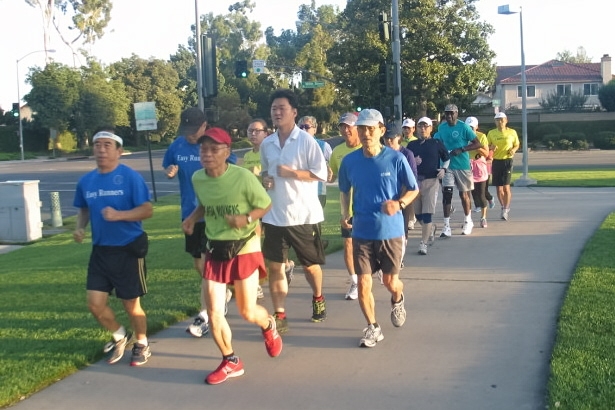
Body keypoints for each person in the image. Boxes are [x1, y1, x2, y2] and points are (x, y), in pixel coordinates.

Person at [182, 127, 282, 385]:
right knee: (214, 310)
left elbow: (265, 204)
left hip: (245, 246)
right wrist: (193, 218)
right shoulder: (198, 178)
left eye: (214, 149)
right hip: (215, 247)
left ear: (227, 152)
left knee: (248, 311)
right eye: (203, 149)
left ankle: (268, 324)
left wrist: (245, 218)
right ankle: (230, 361)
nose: (207, 154)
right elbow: (205, 203)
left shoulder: (243, 177)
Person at [338, 109, 419, 348]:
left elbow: (413, 189)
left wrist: (400, 203)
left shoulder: (395, 159)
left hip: (390, 232)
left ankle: (398, 298)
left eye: (371, 129)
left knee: (389, 282)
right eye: (361, 128)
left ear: (382, 131)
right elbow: (344, 190)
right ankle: (373, 327)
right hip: (361, 231)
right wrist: (345, 214)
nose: (365, 133)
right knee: (363, 282)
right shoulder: (349, 161)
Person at [73, 130, 153, 366]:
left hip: (128, 248)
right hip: (100, 251)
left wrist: (119, 215)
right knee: (94, 304)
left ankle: (142, 343)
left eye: (107, 145)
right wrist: (80, 228)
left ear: (119, 151)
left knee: (131, 304)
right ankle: (120, 335)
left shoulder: (130, 177)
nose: (101, 149)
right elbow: (84, 209)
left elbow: (147, 210)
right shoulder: (86, 181)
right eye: (97, 145)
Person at [162, 107, 235, 338]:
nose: (189, 135)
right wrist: (170, 171)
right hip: (189, 212)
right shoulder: (177, 145)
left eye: (194, 130)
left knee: (208, 266)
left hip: (213, 213)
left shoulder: (213, 144)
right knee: (199, 265)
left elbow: (232, 169)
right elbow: (168, 165)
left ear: (204, 126)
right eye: (186, 130)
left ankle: (206, 314)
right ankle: (220, 295)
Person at [260, 89, 328, 333]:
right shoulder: (267, 143)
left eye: (282, 108)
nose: (277, 113)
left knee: (310, 266)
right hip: (274, 215)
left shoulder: (306, 141)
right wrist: (265, 179)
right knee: (275, 266)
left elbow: (321, 174)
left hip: (302, 215)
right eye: (273, 109)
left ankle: (318, 297)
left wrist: (293, 174)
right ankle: (280, 313)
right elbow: (266, 172)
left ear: (294, 112)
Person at [434, 104, 483, 237]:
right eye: (447, 113)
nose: (449, 116)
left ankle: (468, 220)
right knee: (447, 194)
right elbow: (437, 143)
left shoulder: (464, 127)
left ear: (456, 113)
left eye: (452, 113)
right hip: (447, 165)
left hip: (462, 165)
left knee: (464, 195)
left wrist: (461, 149)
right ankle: (446, 226)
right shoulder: (441, 128)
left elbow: (477, 144)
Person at [328, 112, 362, 300]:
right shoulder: (337, 152)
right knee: (348, 244)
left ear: (358, 127)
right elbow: (332, 176)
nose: (345, 129)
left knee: (371, 244)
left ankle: (376, 267)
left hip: (367, 207)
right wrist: (326, 174)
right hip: (347, 208)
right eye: (342, 126)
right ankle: (355, 281)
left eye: (349, 126)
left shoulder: (368, 148)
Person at [407, 117, 450, 255]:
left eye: (426, 126)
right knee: (418, 215)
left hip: (431, 181)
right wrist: (413, 161)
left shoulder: (436, 143)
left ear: (431, 128)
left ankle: (423, 243)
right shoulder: (411, 145)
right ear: (417, 128)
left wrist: (443, 169)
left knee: (427, 214)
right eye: (420, 126)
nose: (423, 129)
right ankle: (430, 229)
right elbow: (404, 161)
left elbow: (447, 158)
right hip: (415, 183)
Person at [382, 123, 418, 263]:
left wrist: (405, 197)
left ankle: (399, 258)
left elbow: (413, 178)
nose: (389, 141)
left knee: (402, 228)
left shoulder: (406, 154)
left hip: (404, 195)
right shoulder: (382, 154)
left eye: (392, 138)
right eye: (386, 139)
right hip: (388, 195)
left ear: (399, 138)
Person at [241, 118, 269, 299]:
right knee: (255, 245)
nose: (253, 134)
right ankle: (257, 283)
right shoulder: (247, 155)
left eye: (257, 131)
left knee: (272, 243)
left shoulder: (271, 151)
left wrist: (260, 173)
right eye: (250, 131)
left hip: (271, 203)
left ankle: (287, 264)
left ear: (266, 133)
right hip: (254, 205)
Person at [486, 112, 520, 221]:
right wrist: (491, 147)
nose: (500, 122)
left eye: (502, 120)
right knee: (499, 188)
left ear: (506, 121)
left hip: (507, 161)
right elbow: (486, 146)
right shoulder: (491, 133)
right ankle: (502, 206)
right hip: (496, 161)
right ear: (495, 122)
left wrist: (513, 150)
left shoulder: (512, 132)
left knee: (506, 187)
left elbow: (517, 144)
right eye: (497, 120)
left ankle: (506, 209)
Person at [297, 115, 333, 208]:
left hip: (318, 192)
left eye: (307, 127)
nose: (303, 130)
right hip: (298, 192)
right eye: (301, 127)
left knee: (315, 222)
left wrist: (329, 170)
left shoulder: (324, 146)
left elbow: (334, 164)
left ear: (314, 129)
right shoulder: (293, 146)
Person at [465, 116, 491, 228]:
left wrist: (476, 146)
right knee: (468, 195)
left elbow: (486, 153)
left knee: (481, 194)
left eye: (472, 127)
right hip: (466, 167)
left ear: (476, 127)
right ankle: (468, 219)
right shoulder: (463, 137)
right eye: (468, 127)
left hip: (479, 166)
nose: (470, 129)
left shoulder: (481, 136)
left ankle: (483, 217)